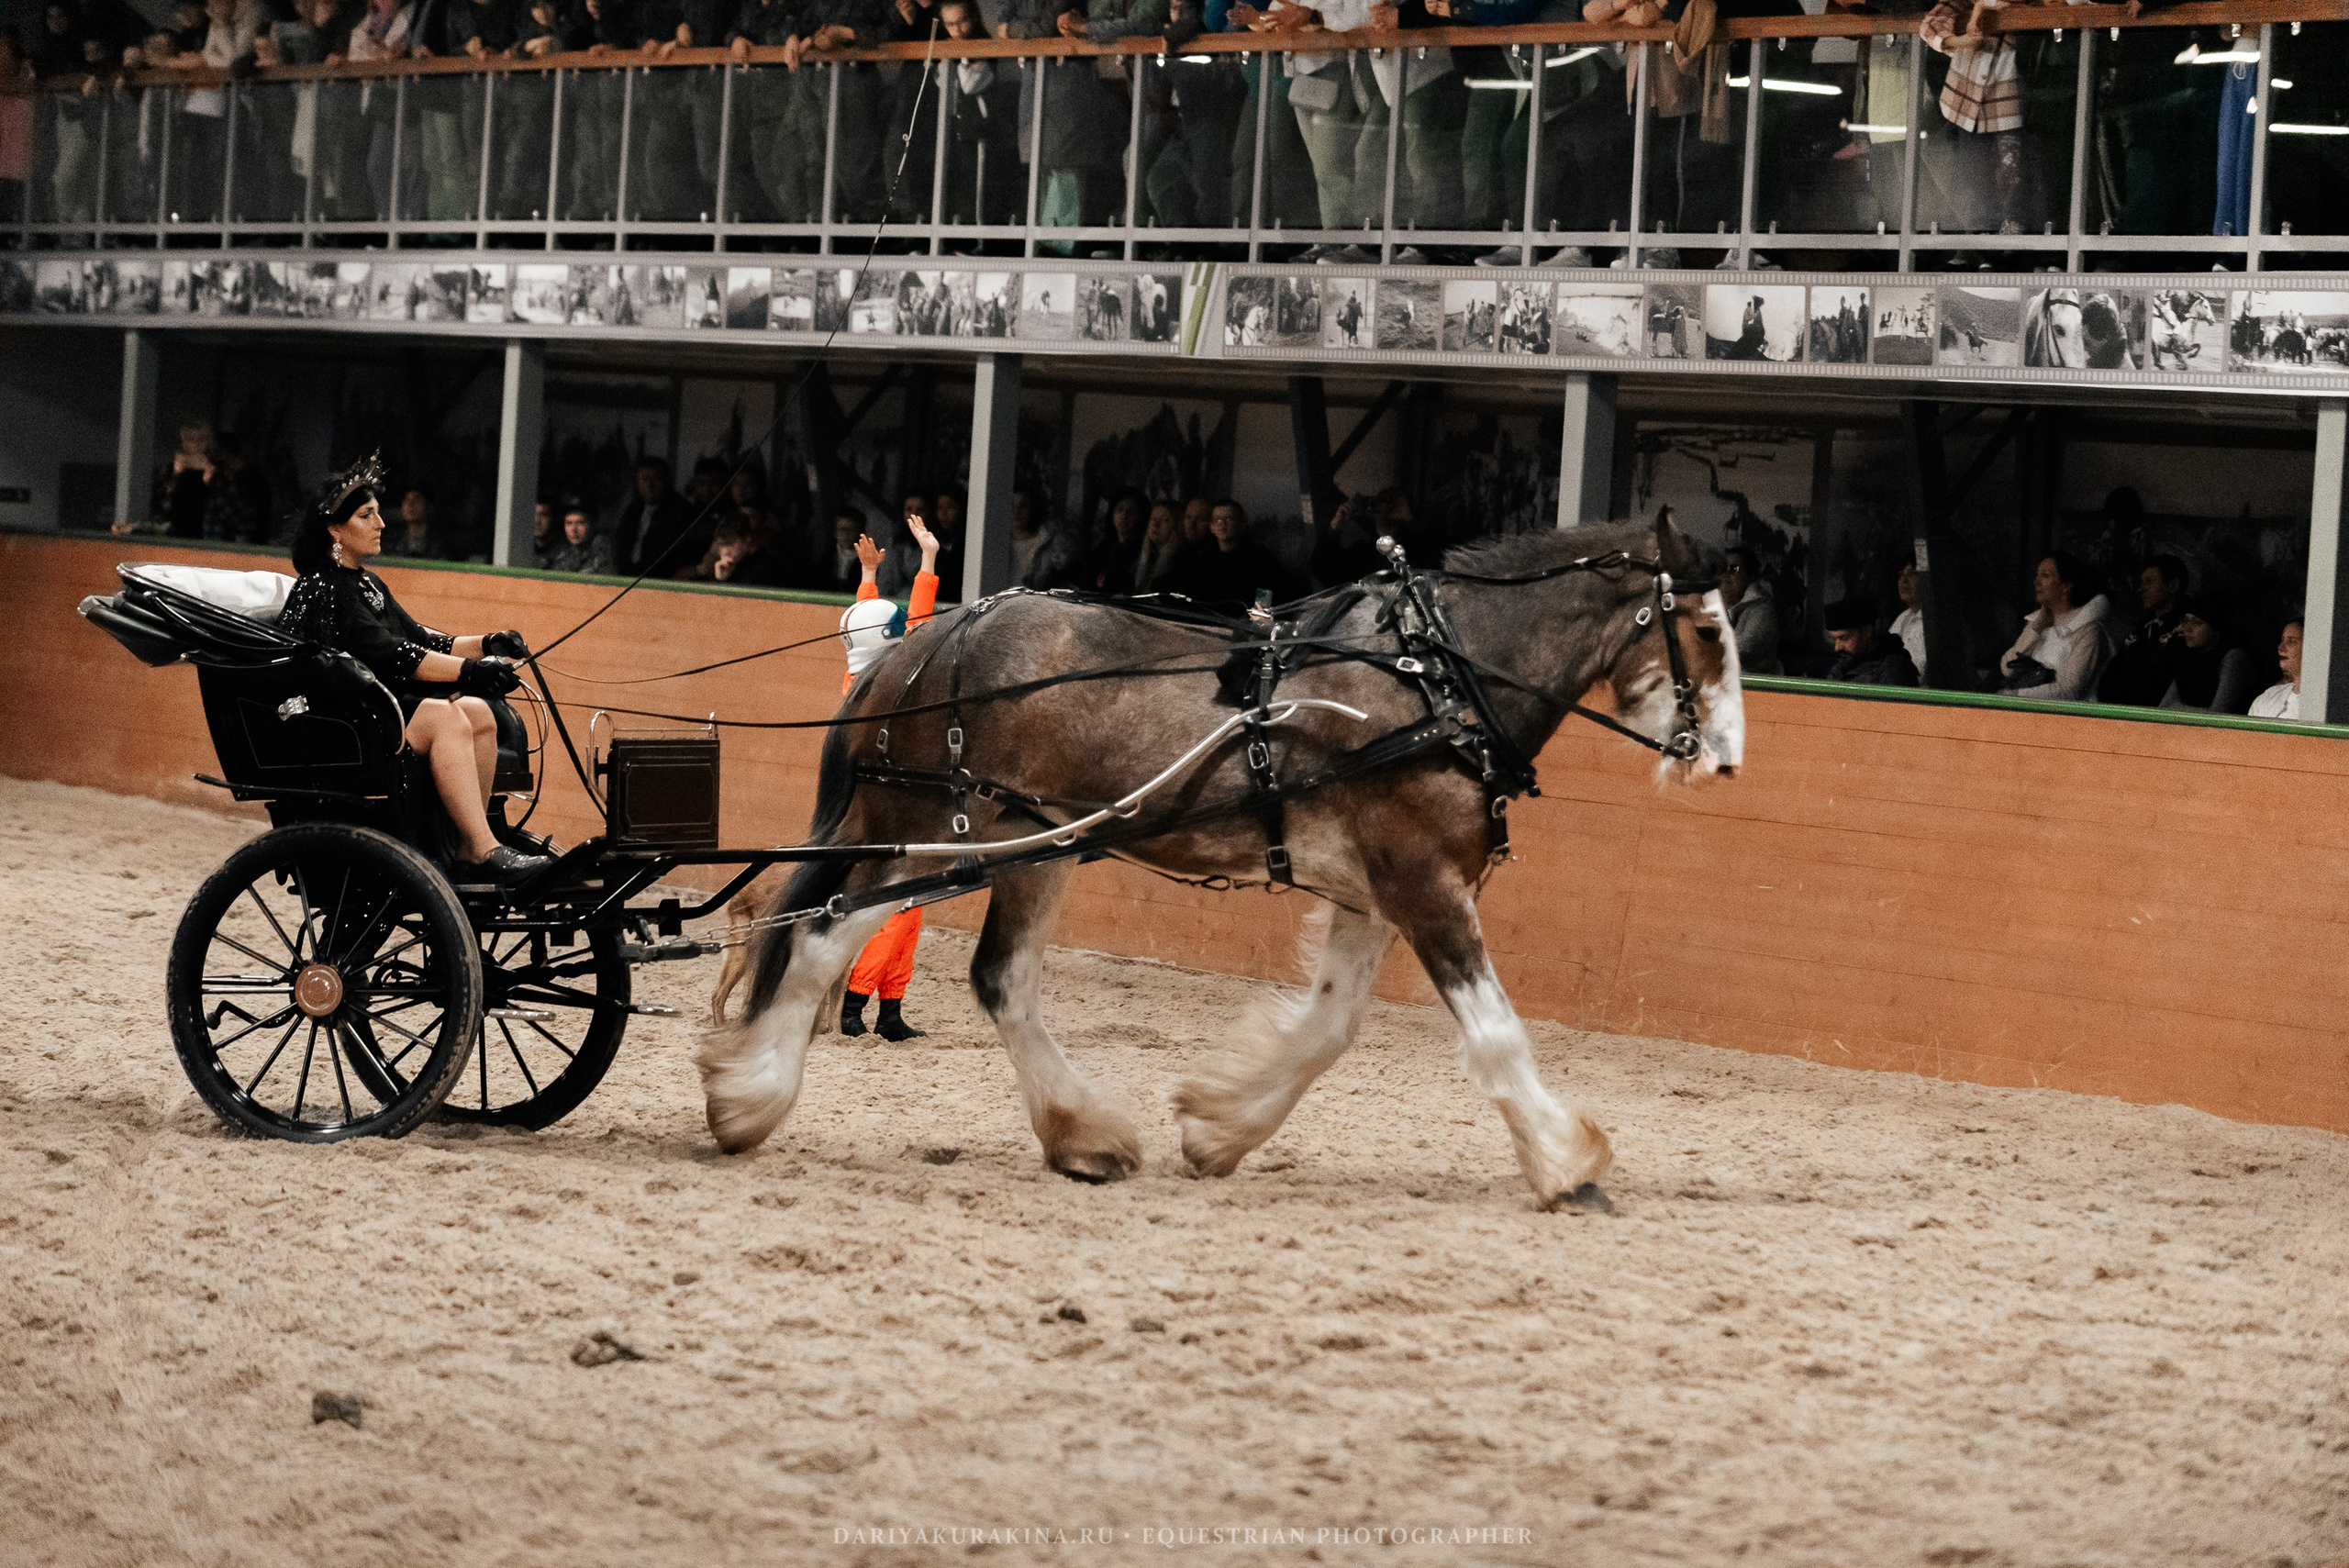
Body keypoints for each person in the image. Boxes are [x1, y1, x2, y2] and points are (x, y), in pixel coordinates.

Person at [278, 455, 550, 884]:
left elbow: (422, 639)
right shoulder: (322, 586)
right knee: (445, 716)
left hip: (379, 707)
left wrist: (486, 644)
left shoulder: (366, 582)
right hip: (340, 718)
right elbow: (393, 654)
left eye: (378, 514)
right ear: (335, 529)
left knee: (478, 713)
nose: (382, 524)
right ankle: (483, 848)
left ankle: (469, 846)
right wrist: (469, 672)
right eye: (367, 515)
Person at [836, 518, 941, 1040]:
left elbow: (869, 627)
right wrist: (927, 563)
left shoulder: (857, 677)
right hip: (891, 810)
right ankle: (856, 1003)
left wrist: (869, 577)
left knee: (912, 908)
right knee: (898, 909)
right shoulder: (893, 688)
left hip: (890, 807)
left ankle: (891, 1009)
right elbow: (915, 627)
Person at [1998, 551, 2116, 702]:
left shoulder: (2088, 630)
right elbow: (2007, 668)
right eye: (2037, 575)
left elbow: (2069, 691)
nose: (2036, 582)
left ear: (2066, 586)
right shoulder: (2039, 622)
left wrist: (2016, 695)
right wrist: (2036, 629)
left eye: (2045, 576)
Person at [2096, 552, 2189, 706]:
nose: (2142, 589)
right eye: (2142, 582)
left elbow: (2161, 680)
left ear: (2173, 586)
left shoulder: (2188, 628)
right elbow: (2113, 671)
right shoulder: (2141, 627)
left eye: (2150, 582)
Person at [1165, 498, 1292, 611]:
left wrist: (1258, 621)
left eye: (1229, 519)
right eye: (1218, 520)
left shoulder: (1259, 558)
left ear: (1241, 523)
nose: (1223, 525)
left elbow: (1266, 594)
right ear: (1212, 527)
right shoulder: (1202, 559)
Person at [2155, 599, 2258, 717]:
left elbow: (2218, 714)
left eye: (2197, 622)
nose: (2188, 629)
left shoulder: (2234, 658)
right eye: (2186, 621)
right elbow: (2163, 707)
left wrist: (2177, 710)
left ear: (2215, 628)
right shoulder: (2189, 656)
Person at [615, 455, 693, 576]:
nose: (650, 485)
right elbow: (621, 542)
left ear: (666, 481)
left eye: (656, 479)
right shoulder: (634, 508)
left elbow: (667, 552)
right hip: (628, 576)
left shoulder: (679, 510)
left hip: (660, 579)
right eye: (644, 479)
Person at [1821, 596, 1918, 687]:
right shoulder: (1845, 664)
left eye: (1845, 638)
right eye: (1834, 640)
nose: (1837, 647)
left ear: (1866, 632)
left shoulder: (1894, 669)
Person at [1718, 546, 1781, 675]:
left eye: (1733, 570)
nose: (1725, 577)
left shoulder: (1762, 608)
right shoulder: (1715, 604)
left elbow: (1745, 649)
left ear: (1750, 575)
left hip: (1756, 687)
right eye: (1722, 570)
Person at [2249, 620, 2307, 723]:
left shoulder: (2323, 704)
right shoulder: (2268, 696)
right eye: (2282, 640)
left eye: (2292, 641)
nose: (2281, 648)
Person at [544, 500, 615, 574]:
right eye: (569, 523)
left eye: (580, 523)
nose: (574, 530)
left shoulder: (602, 545)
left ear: (593, 525)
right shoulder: (560, 548)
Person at [1887, 561, 1929, 685]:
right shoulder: (1904, 617)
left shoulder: (1935, 621)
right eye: (1901, 575)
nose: (1904, 582)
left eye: (1912, 575)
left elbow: (1918, 674)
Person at [383, 486, 451, 560]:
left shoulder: (440, 543)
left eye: (417, 499)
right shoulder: (392, 540)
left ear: (429, 507)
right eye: (407, 500)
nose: (410, 505)